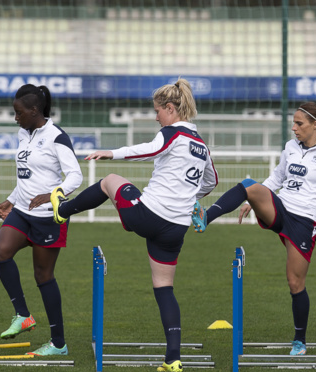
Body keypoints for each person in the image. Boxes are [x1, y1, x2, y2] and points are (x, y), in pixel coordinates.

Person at [49, 78, 218, 372]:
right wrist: (190, 197)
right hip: (175, 228)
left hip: (149, 216)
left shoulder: (172, 133)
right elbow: (211, 181)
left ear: (170, 109)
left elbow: (149, 150)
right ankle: (173, 359)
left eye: (157, 111)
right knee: (164, 288)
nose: (156, 117)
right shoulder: (201, 144)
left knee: (110, 180)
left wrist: (111, 152)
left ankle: (63, 210)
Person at [192, 102, 316, 356]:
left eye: (299, 123)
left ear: (315, 125)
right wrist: (251, 200)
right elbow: (276, 178)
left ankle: (299, 341)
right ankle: (206, 217)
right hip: (280, 208)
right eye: (293, 122)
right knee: (249, 185)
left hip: (304, 222)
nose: (294, 128)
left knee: (295, 283)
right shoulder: (290, 148)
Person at [0, 84, 83, 356]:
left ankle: (58, 344)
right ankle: (22, 315)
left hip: (48, 217)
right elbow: (26, 175)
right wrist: (11, 198)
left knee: (43, 277)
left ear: (34, 110)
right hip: (22, 210)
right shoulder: (23, 133)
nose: (15, 118)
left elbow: (75, 177)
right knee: (0, 252)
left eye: (19, 113)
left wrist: (53, 194)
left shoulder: (57, 137)